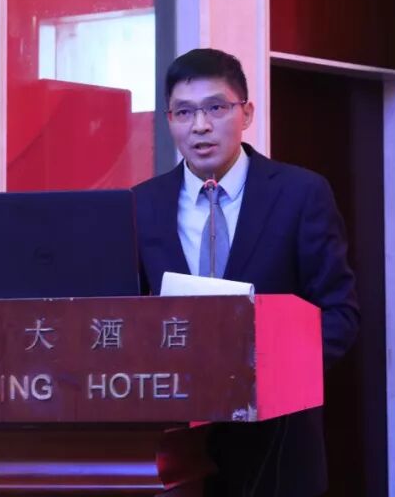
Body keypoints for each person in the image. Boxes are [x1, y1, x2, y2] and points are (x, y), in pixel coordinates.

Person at [133, 48, 360, 496]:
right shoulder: (141, 204)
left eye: (216, 108)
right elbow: (127, 313)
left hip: (276, 445)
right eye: (184, 112)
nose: (200, 126)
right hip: (172, 451)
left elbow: (339, 314)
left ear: (247, 113)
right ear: (169, 120)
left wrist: (266, 379)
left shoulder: (300, 194)